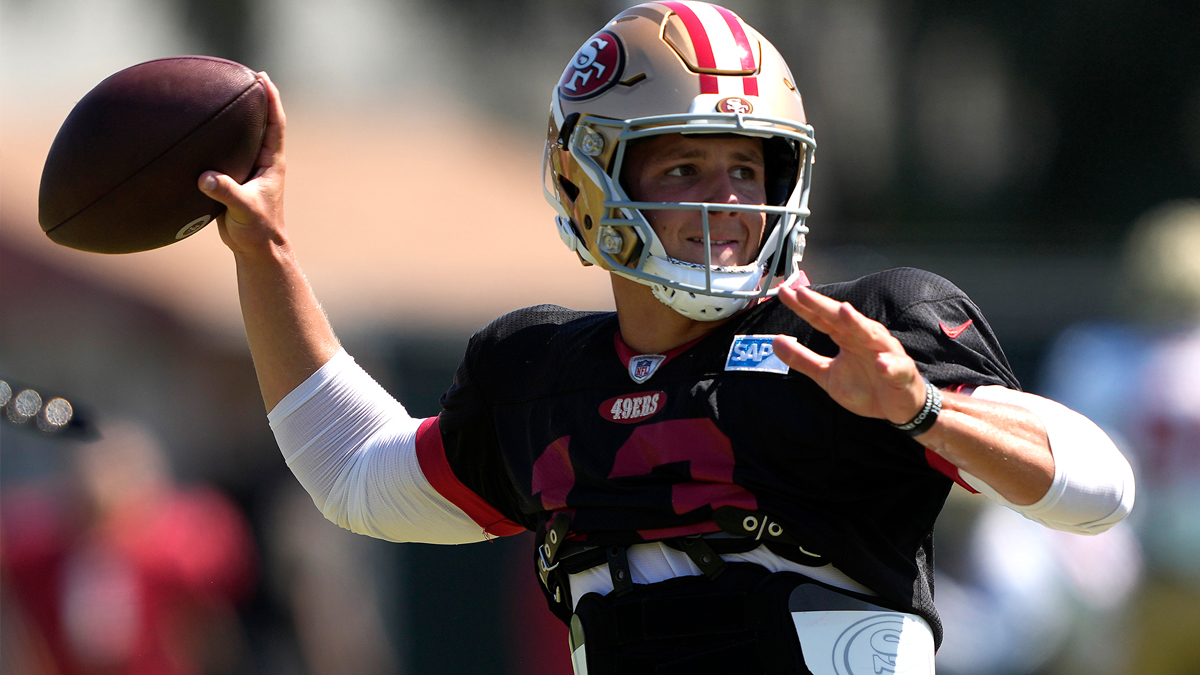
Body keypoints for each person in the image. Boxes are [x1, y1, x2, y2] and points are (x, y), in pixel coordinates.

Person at [197, 3, 1134, 673]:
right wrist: (265, 250)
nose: (727, 201)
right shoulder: (542, 376)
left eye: (745, 166)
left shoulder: (858, 338)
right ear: (588, 181)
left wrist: (925, 412)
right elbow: (358, 472)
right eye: (686, 163)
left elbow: (1100, 489)